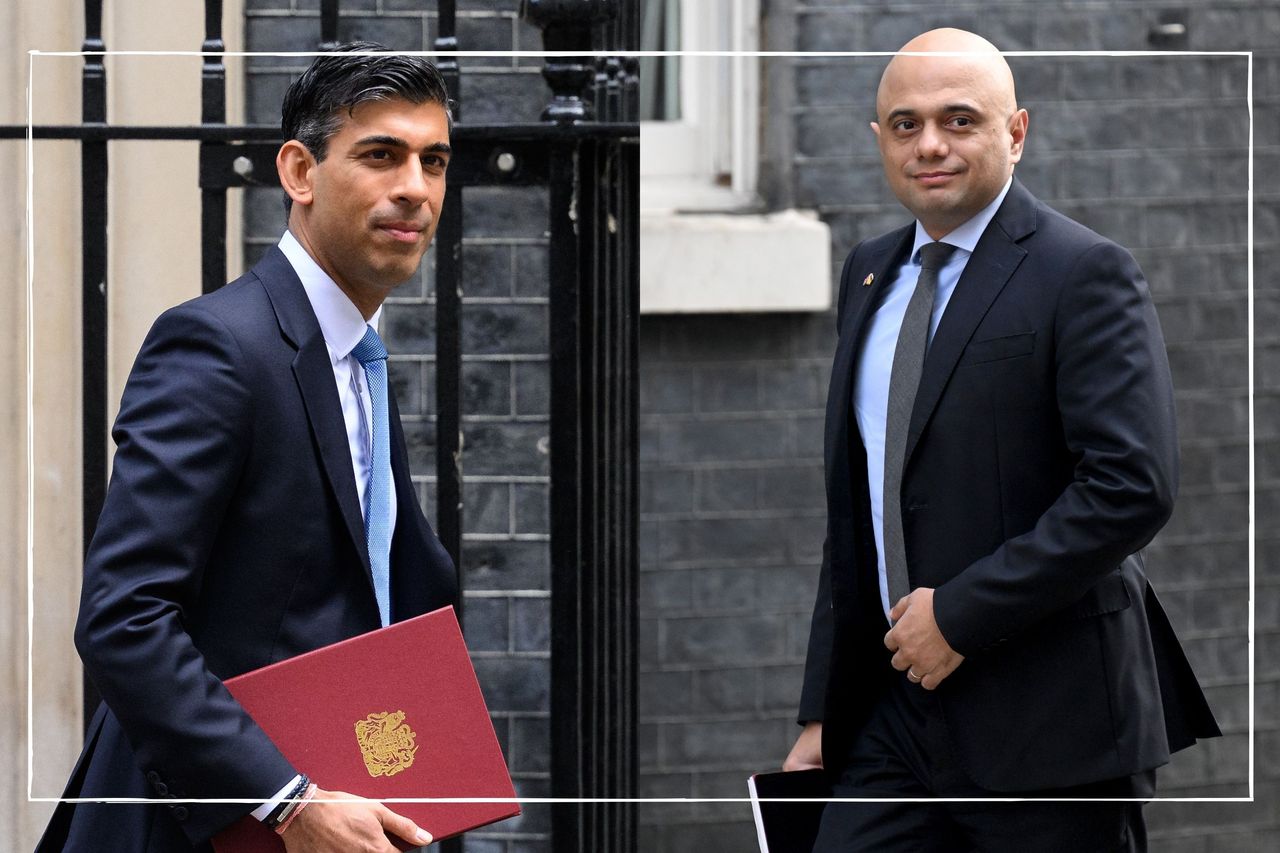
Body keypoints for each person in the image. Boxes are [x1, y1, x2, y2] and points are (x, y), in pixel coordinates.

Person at [783, 28, 1221, 851]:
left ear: (1015, 132)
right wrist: (821, 709)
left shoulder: (1083, 270)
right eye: (905, 125)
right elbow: (861, 511)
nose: (931, 145)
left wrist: (959, 614)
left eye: (959, 120)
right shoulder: (869, 273)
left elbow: (1130, 486)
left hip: (1052, 725)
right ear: (879, 141)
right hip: (891, 717)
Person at [38, 44, 458, 853]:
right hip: (207, 826)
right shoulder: (218, 346)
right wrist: (286, 799)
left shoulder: (357, 355)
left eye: (432, 160)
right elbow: (124, 618)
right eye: (380, 155)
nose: (415, 187)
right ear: (300, 172)